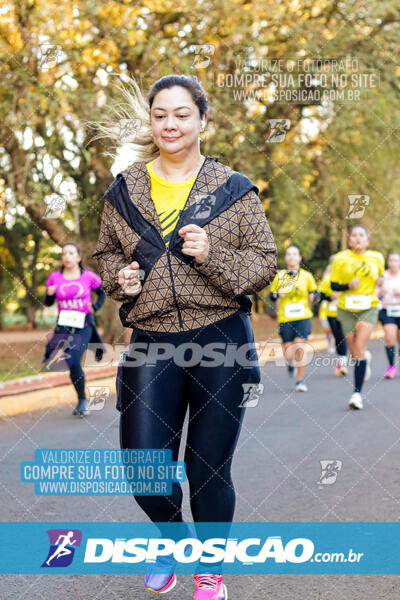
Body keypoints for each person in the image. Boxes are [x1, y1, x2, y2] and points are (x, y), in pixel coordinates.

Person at [92, 74, 277, 599]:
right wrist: (119, 279)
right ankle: (174, 544)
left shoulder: (233, 190)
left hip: (222, 338)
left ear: (202, 120)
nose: (170, 124)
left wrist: (211, 254)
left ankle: (210, 572)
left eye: (181, 114)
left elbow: (264, 264)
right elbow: (106, 254)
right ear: (151, 121)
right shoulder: (124, 190)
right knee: (144, 470)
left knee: (207, 469)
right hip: (152, 339)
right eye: (160, 114)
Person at [43, 242, 106, 416]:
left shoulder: (88, 277)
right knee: (72, 364)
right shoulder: (55, 277)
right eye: (64, 254)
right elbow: (48, 303)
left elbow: (102, 292)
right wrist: (49, 294)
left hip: (83, 324)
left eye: (71, 253)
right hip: (64, 326)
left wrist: (96, 306)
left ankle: (82, 401)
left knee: (73, 359)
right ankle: (82, 399)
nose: (67, 257)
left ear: (78, 257)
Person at [330, 225, 385, 410]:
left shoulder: (376, 257)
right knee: (354, 352)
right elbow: (333, 285)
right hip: (346, 309)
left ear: (368, 240)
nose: (358, 238)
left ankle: (357, 394)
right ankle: (364, 359)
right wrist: (347, 286)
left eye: (362, 235)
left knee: (360, 347)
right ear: (349, 240)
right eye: (354, 235)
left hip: (368, 307)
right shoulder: (340, 258)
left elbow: (380, 278)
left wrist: (381, 283)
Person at [269, 245, 318, 392]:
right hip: (286, 318)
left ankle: (300, 381)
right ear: (286, 258)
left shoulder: (307, 276)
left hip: (303, 316)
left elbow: (316, 293)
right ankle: (290, 363)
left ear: (299, 258)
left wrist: (313, 296)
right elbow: (272, 295)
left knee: (300, 346)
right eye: (289, 254)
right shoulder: (279, 276)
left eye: (294, 254)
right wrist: (278, 294)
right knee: (289, 352)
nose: (291, 257)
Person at [318, 256, 348, 376]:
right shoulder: (327, 278)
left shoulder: (348, 277)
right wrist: (330, 297)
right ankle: (340, 361)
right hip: (331, 313)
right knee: (338, 337)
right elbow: (320, 295)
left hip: (347, 311)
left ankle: (344, 363)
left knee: (342, 336)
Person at [375, 252, 400, 378]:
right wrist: (380, 292)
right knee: (390, 338)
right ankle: (391, 367)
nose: (393, 263)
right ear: (388, 262)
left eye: (396, 260)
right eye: (391, 260)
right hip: (387, 310)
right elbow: (374, 294)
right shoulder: (382, 277)